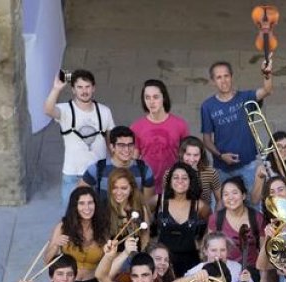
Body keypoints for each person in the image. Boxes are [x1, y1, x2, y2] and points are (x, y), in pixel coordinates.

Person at [44, 69, 114, 206]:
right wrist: (56, 89)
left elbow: (111, 141)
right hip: (73, 174)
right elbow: (48, 110)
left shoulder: (104, 111)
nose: (84, 91)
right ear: (73, 90)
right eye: (80, 87)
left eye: (87, 87)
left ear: (94, 88)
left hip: (98, 174)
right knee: (70, 217)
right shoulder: (65, 110)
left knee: (99, 216)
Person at [201, 59, 274, 190]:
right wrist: (220, 156)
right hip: (222, 168)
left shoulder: (245, 97)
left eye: (226, 76)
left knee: (253, 203)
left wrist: (267, 73)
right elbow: (206, 140)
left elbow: (267, 90)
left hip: (249, 165)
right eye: (218, 77)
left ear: (231, 77)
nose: (223, 80)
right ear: (213, 81)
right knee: (223, 206)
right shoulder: (207, 106)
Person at [153, 162, 213, 277]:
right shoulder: (158, 201)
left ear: (191, 181)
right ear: (170, 181)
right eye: (176, 177)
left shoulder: (199, 206)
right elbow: (143, 217)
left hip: (191, 263)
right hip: (162, 264)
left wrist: (201, 245)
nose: (180, 181)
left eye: (184, 178)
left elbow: (210, 227)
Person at [131, 79, 190, 194]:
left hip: (174, 188)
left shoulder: (180, 125)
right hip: (147, 187)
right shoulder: (136, 127)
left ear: (164, 98)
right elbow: (134, 160)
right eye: (147, 97)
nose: (151, 102)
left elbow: (187, 159)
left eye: (155, 97)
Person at [80, 126, 156, 206]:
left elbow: (148, 205)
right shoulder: (97, 168)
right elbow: (79, 197)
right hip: (104, 217)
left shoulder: (144, 169)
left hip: (133, 217)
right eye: (121, 145)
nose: (127, 149)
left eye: (130, 145)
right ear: (112, 147)